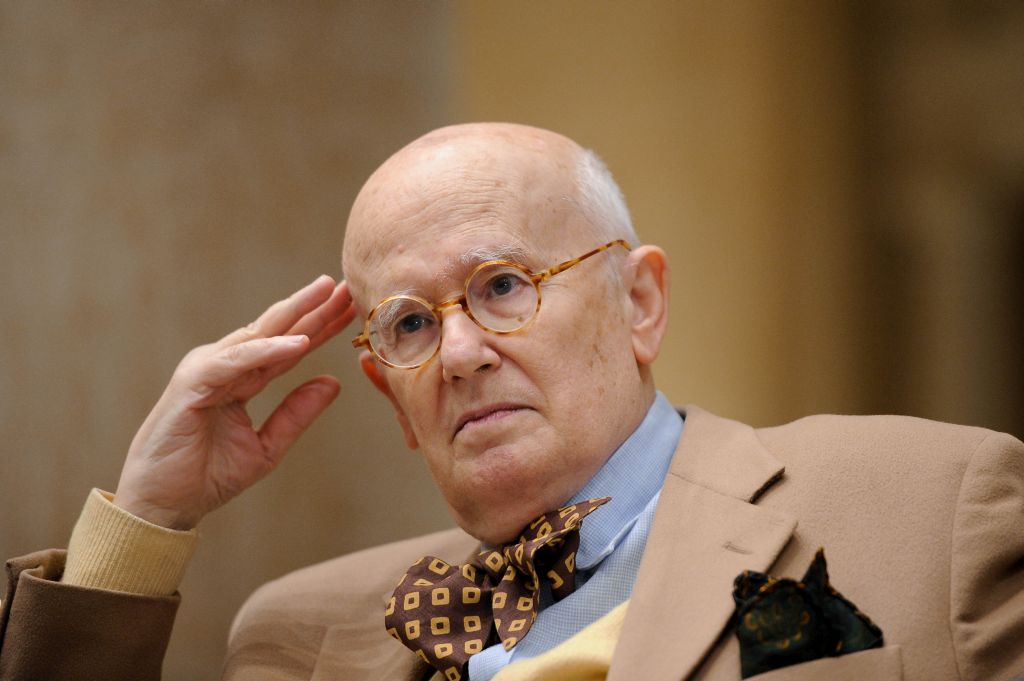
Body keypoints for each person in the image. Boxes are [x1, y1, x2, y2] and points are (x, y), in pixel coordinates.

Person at [1, 123, 1022, 681]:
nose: (457, 353)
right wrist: (145, 527)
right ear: (389, 394)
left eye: (501, 286)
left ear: (639, 303)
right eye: (408, 323)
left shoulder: (930, 505)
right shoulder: (298, 635)